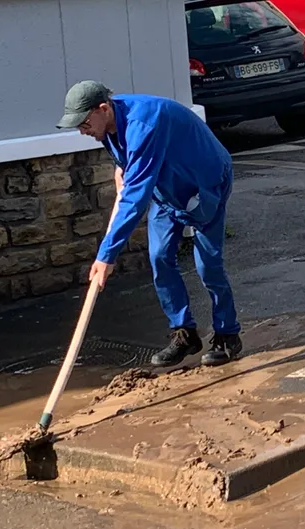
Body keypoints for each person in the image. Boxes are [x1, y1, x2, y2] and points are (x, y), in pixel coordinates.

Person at [56, 81, 241, 368]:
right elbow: (133, 165)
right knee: (159, 257)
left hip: (203, 183)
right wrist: (123, 166)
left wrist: (106, 256)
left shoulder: (145, 122)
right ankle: (184, 333)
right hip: (165, 189)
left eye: (83, 123)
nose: (82, 130)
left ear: (102, 109)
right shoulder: (109, 123)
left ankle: (227, 333)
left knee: (208, 265)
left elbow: (134, 197)